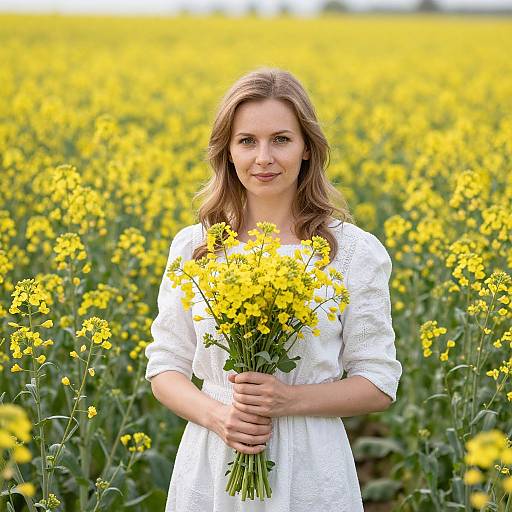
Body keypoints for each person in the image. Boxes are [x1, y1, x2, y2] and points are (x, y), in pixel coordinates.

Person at [144, 67, 402, 511]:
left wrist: (288, 399)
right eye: (247, 141)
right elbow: (165, 367)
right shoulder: (195, 247)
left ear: (307, 150)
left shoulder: (353, 251)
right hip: (212, 459)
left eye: (281, 139)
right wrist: (220, 417)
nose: (263, 157)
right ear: (227, 151)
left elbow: (378, 381)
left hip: (312, 465)